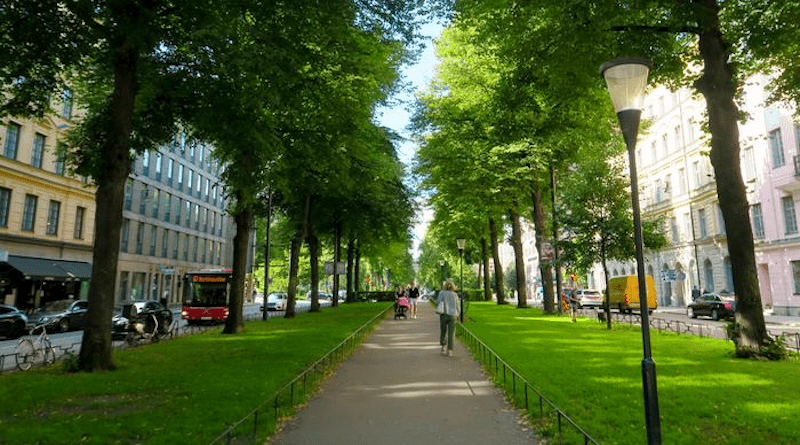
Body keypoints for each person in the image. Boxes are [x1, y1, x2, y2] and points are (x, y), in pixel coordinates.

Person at [437, 279, 459, 357]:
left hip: (444, 314)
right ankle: (450, 350)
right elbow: (457, 305)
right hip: (453, 315)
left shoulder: (441, 293)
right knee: (451, 333)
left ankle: (443, 347)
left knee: (443, 331)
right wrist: (458, 314)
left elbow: (438, 302)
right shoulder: (455, 295)